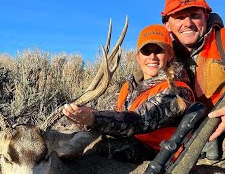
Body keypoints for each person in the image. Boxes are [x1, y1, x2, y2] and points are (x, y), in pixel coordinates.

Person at [62, 24, 195, 162]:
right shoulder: (128, 87)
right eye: (146, 51)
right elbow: (118, 117)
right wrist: (88, 115)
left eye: (158, 50)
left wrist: (94, 118)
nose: (152, 56)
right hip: (131, 145)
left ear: (170, 55)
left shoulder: (177, 90)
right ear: (138, 57)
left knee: (99, 153)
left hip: (161, 156)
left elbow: (139, 120)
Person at [161, 0, 225, 159]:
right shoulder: (160, 56)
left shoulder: (222, 41)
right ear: (167, 25)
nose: (188, 23)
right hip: (186, 139)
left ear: (206, 17)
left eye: (194, 15)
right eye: (179, 17)